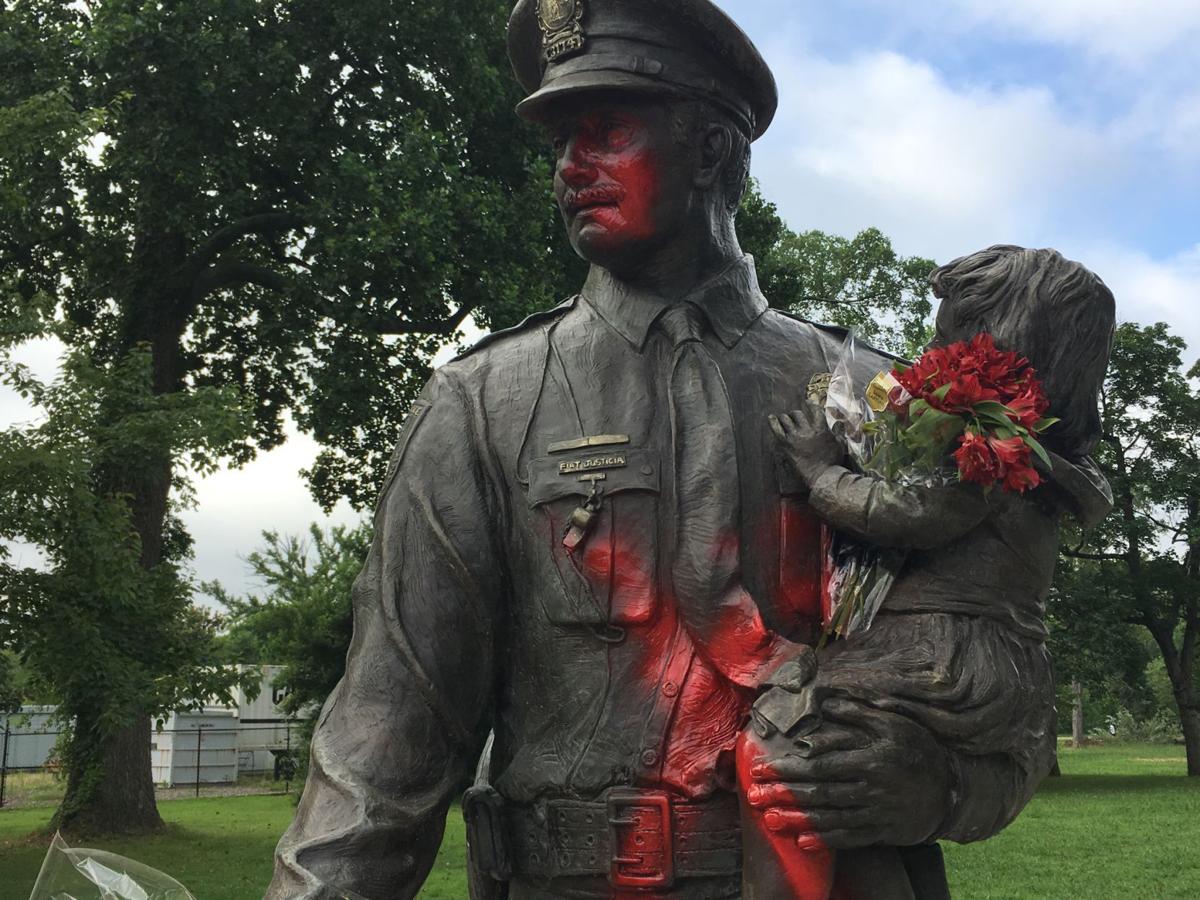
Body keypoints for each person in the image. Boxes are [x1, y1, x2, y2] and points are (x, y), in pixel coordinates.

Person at [266, 4, 1056, 898]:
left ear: (711, 151)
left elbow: (1010, 704)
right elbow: (382, 736)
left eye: (607, 131)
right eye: (563, 141)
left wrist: (938, 789)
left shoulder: (885, 404)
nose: (571, 166)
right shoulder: (482, 404)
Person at [755, 246, 1115, 896]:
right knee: (890, 829)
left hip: (936, 659)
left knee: (799, 750)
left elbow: (907, 513)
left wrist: (820, 471)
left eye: (947, 338)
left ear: (1002, 353)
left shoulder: (992, 454)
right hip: (992, 661)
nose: (925, 354)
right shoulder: (1035, 462)